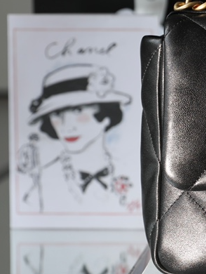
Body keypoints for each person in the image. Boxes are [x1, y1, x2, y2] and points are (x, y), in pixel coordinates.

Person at [17, 63, 135, 210]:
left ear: (105, 116)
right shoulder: (41, 183)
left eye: (77, 111)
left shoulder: (131, 170)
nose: (67, 126)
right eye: (57, 114)